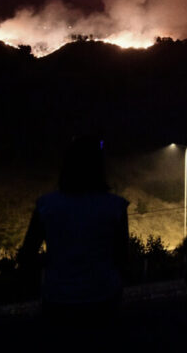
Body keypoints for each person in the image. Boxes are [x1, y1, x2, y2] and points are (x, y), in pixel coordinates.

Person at [18, 135, 129, 333]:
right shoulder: (115, 206)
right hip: (104, 297)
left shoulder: (46, 205)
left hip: (59, 299)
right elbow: (122, 257)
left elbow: (27, 255)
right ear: (99, 168)